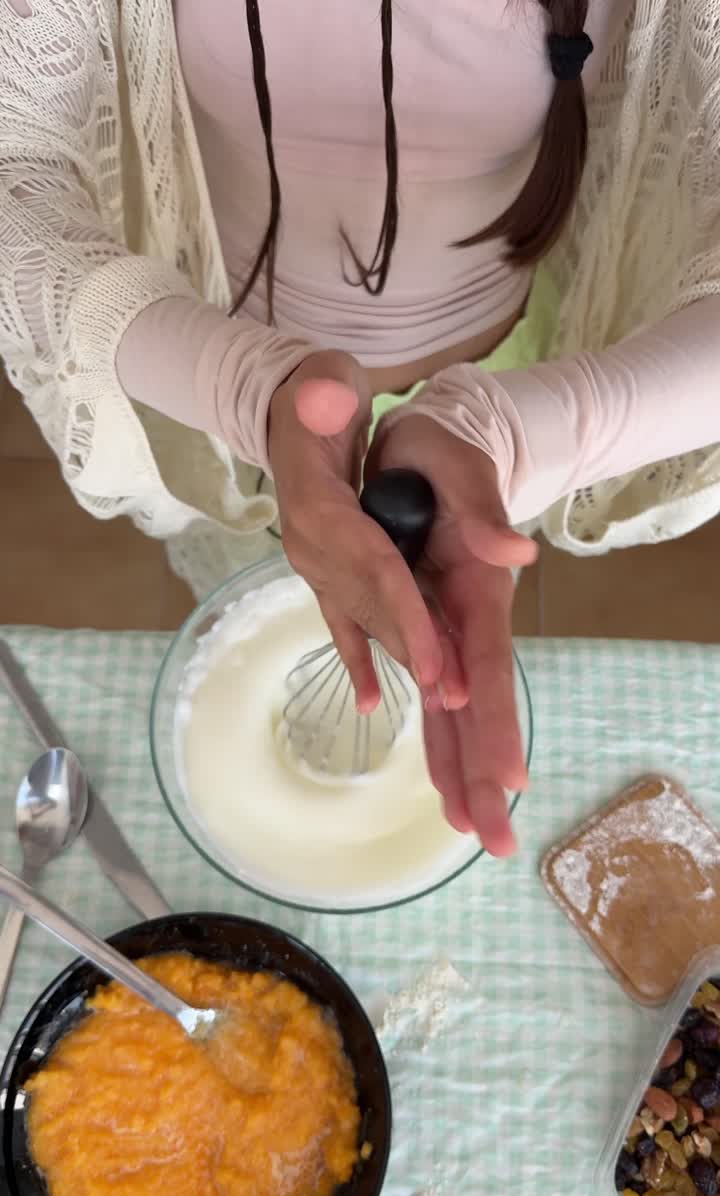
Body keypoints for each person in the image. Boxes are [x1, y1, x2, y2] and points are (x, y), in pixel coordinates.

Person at [2, 0, 720, 858]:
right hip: (213, 382)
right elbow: (20, 165)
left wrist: (523, 431)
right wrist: (241, 386)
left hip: (501, 383)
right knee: (249, 584)